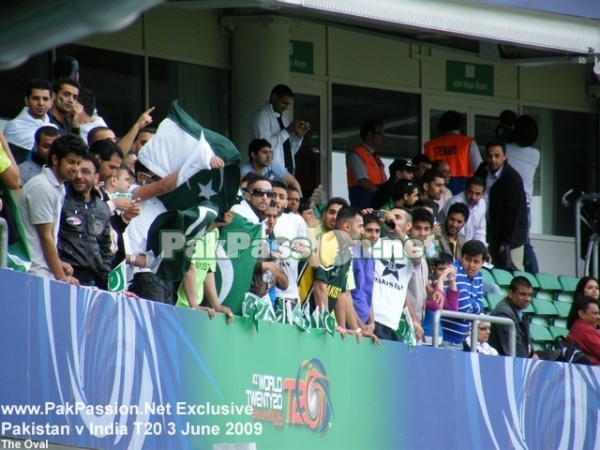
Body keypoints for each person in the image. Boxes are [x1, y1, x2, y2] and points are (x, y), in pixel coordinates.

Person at [17, 134, 87, 284]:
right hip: (33, 272)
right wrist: (61, 276)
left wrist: (58, 264)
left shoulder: (57, 187)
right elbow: (45, 236)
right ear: (55, 160)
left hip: (42, 270)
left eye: (78, 163)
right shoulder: (42, 187)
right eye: (71, 162)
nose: (75, 168)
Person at [57, 153, 112, 288]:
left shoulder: (102, 208)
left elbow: (105, 250)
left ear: (96, 177)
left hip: (91, 282)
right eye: (76, 171)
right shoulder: (60, 198)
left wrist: (111, 287)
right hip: (63, 276)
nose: (79, 176)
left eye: (85, 172)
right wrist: (59, 271)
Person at [475, 140, 528, 271]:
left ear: (505, 156)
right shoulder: (482, 171)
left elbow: (514, 214)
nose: (493, 159)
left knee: (510, 274)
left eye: (497, 155)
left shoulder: (513, 179)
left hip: (511, 236)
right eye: (489, 155)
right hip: (487, 231)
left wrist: (507, 242)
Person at [506, 114, 540, 274]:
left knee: (511, 242)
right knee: (525, 243)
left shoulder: (506, 149)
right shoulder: (535, 154)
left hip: (510, 204)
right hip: (525, 206)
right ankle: (535, 278)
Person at [252, 84, 309, 174]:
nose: (286, 107)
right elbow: (263, 147)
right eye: (284, 103)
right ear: (274, 97)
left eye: (288, 104)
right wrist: (288, 131)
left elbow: (289, 151)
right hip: (271, 174)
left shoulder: (283, 118)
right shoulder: (262, 115)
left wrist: (298, 137)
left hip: (286, 174)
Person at [440, 240, 487, 350]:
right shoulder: (455, 270)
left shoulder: (479, 275)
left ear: (483, 262)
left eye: (476, 261)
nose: (471, 265)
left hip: (460, 340)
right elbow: (463, 307)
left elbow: (481, 306)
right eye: (468, 259)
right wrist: (473, 306)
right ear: (461, 257)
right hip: (445, 339)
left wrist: (472, 306)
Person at [424, 110, 482, 195]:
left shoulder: (430, 146)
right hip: (462, 192)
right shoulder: (467, 143)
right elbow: (479, 170)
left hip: (436, 192)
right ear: (460, 127)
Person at [3, 79, 56, 163]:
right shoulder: (14, 127)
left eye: (45, 99)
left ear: (51, 102)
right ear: (27, 100)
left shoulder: (54, 128)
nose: (41, 103)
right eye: (36, 98)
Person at [488, 276, 536, 358]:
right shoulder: (504, 313)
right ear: (511, 294)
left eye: (529, 295)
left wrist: (533, 353)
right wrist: (529, 363)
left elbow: (526, 340)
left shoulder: (518, 310)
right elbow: (514, 349)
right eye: (523, 294)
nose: (527, 299)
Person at [346, 119, 388, 209]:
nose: (383, 137)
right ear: (370, 135)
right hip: (364, 204)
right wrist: (381, 195)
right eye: (380, 134)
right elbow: (362, 181)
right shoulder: (356, 154)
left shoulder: (375, 157)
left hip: (377, 202)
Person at [439, 176, 487, 246]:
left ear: (483, 194)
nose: (473, 197)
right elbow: (454, 231)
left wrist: (482, 250)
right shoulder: (454, 203)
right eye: (470, 192)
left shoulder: (482, 204)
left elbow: (480, 232)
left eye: (477, 194)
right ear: (465, 190)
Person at [566, 296, 600, 364]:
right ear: (582, 314)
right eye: (595, 313)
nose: (599, 317)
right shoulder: (585, 330)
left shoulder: (576, 328)